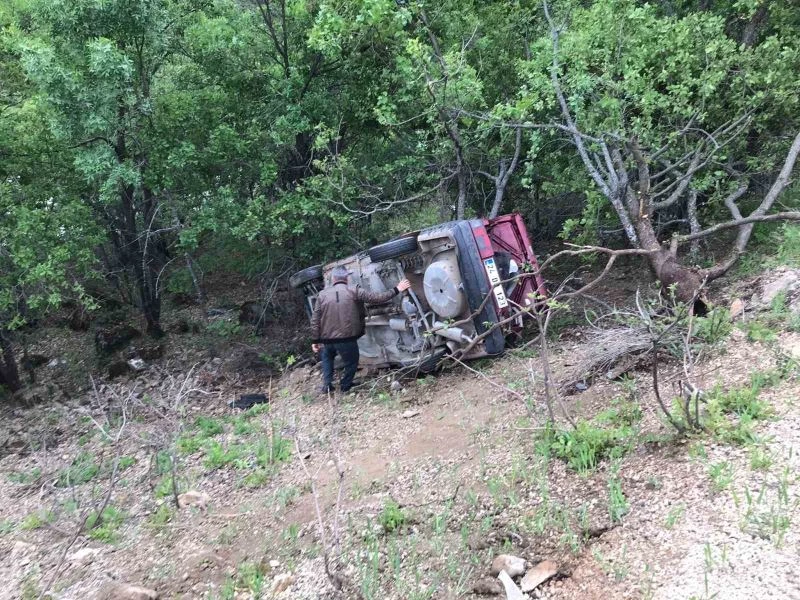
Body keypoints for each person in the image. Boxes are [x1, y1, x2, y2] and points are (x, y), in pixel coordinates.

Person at [311, 266, 412, 394]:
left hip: (327, 339)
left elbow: (315, 319)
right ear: (346, 278)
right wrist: (397, 289)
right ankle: (345, 386)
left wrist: (315, 339)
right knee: (352, 362)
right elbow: (378, 298)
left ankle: (327, 386)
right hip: (346, 339)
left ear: (333, 279)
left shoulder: (322, 295)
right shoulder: (354, 290)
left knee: (327, 358)